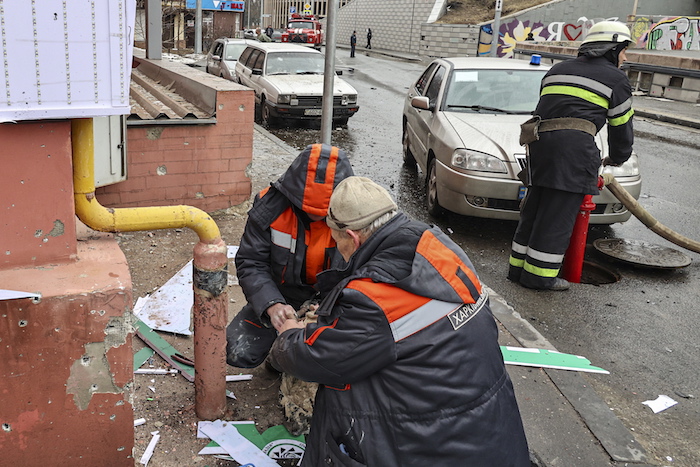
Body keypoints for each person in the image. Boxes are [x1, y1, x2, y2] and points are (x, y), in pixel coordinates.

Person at [269, 176, 530, 466]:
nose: (337, 249)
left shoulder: (376, 299)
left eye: (336, 239)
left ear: (353, 238)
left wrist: (289, 335)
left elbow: (320, 358)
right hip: (491, 432)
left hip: (430, 447)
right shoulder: (438, 249)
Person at [508, 21, 634, 291]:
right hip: (573, 153)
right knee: (557, 217)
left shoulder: (558, 69)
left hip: (538, 146)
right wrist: (618, 157)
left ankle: (517, 270)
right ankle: (539, 278)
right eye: (624, 50)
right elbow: (621, 127)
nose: (625, 57)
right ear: (612, 49)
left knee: (534, 210)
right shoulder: (616, 79)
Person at [226, 144, 354, 369]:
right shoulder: (270, 207)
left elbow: (370, 272)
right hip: (283, 294)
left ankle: (287, 359)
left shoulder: (359, 214)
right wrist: (272, 305)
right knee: (237, 351)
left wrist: (327, 311)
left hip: (335, 299)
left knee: (341, 359)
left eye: (323, 212)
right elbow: (251, 262)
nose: (315, 216)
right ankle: (280, 356)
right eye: (307, 208)